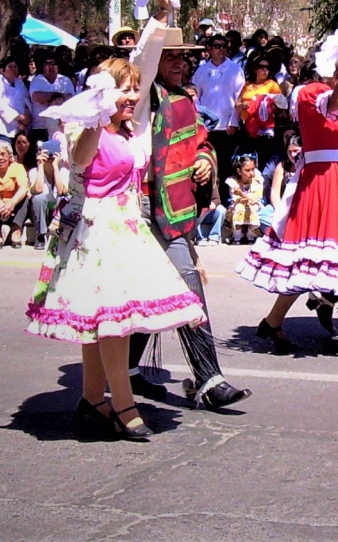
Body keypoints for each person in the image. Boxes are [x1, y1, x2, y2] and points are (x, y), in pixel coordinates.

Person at [25, 57, 207, 439]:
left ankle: (93, 398)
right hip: (95, 232)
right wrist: (96, 114)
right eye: (126, 88)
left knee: (105, 321)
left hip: (125, 227)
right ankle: (123, 404)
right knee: (112, 323)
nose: (133, 96)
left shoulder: (127, 131)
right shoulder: (84, 127)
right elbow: (80, 159)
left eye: (135, 88)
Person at [236, 29, 338, 357]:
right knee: (325, 259)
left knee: (328, 261)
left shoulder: (333, 97)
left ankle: (274, 323)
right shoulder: (309, 93)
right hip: (321, 184)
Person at [127, 6, 250, 411]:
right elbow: (139, 63)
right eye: (171, 57)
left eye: (183, 58)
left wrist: (205, 160)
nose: (180, 65)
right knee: (142, 291)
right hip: (138, 207)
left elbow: (203, 142)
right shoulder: (142, 96)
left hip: (173, 211)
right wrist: (159, 14)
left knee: (183, 287)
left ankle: (208, 379)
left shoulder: (184, 101)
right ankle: (123, 374)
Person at [192, 34, 244, 202]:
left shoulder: (235, 70)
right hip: (207, 128)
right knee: (208, 164)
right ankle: (210, 202)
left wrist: (234, 122)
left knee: (227, 167)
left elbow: (239, 98)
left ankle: (228, 204)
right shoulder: (201, 71)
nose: (221, 49)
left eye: (224, 46)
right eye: (217, 46)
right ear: (209, 49)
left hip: (227, 128)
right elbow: (195, 96)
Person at [235, 56, 283, 170]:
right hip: (247, 128)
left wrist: (265, 106)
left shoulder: (272, 85)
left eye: (267, 67)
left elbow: (280, 107)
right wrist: (243, 105)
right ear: (255, 69)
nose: (265, 70)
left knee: (263, 161)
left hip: (264, 130)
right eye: (262, 67)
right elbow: (237, 105)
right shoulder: (247, 85)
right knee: (246, 162)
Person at [0, 139, 30, 247]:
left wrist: (12, 203)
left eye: (3, 154)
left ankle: (16, 231)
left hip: (14, 206)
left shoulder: (18, 167)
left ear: (9, 156)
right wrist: (2, 206)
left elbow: (23, 187)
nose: (0, 158)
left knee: (24, 197)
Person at [28, 50, 75, 143]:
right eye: (47, 64)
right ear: (43, 66)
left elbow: (70, 99)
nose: (50, 66)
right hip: (40, 127)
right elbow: (36, 97)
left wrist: (47, 99)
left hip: (60, 127)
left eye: (53, 64)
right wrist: (57, 97)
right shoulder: (37, 80)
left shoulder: (65, 80)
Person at [225, 153, 265, 243]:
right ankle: (237, 236)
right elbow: (235, 199)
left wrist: (241, 194)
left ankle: (251, 235)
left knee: (251, 208)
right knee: (239, 207)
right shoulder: (233, 182)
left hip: (254, 206)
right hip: (238, 205)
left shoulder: (258, 180)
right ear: (239, 171)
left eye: (253, 169)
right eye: (247, 170)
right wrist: (245, 198)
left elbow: (255, 199)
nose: (251, 173)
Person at [0, 55, 29, 139]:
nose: (13, 69)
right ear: (2, 70)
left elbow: (27, 102)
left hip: (21, 129)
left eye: (15, 67)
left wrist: (25, 118)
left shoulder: (20, 83)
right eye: (10, 67)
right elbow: (2, 107)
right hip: (3, 129)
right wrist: (21, 118)